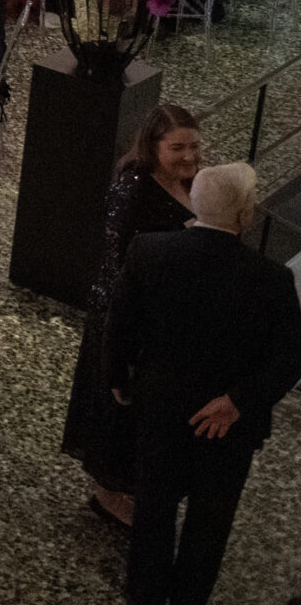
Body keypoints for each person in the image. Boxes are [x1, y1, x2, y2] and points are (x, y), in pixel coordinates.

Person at [106, 162, 301, 605]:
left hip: (161, 409)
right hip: (229, 425)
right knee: (210, 520)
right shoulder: (272, 280)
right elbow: (290, 358)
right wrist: (237, 401)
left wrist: (119, 380)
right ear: (246, 214)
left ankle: (146, 601)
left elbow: (121, 325)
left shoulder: (149, 252)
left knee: (152, 507)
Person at [66, 102, 206, 530]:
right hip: (127, 315)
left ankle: (129, 483)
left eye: (194, 146)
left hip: (166, 318)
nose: (188, 156)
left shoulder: (196, 182)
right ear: (152, 146)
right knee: (117, 403)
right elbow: (118, 262)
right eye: (177, 147)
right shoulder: (133, 188)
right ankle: (107, 491)